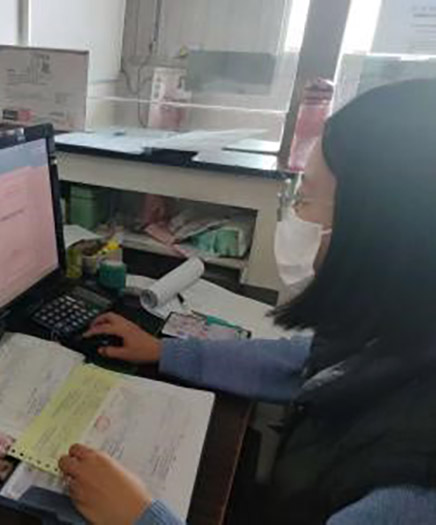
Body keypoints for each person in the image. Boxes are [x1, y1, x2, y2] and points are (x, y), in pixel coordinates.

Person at [58, 79, 436, 525]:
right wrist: (164, 351)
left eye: (306, 199)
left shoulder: (408, 497)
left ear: (382, 231)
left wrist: (139, 516)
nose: (295, 215)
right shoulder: (400, 335)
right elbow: (304, 363)